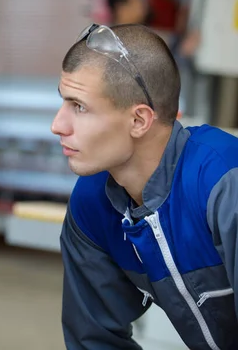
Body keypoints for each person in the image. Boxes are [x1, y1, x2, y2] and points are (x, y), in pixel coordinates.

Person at [51, 23, 238, 349]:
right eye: (63, 102)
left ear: (139, 120)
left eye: (78, 106)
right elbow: (95, 341)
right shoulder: (92, 203)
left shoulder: (223, 181)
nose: (57, 125)